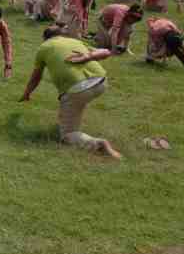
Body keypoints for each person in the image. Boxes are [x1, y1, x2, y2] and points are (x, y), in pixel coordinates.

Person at [19, 26, 122, 159]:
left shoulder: (44, 47)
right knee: (77, 102)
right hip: (101, 82)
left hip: (77, 89)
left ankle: (98, 144)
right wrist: (88, 56)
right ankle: (71, 118)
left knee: (67, 135)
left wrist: (27, 93)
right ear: (61, 35)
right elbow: (106, 52)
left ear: (44, 38)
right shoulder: (75, 41)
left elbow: (36, 77)